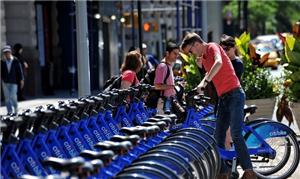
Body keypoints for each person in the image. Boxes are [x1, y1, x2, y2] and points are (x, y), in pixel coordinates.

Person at [181, 32, 256, 179]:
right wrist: (201, 76)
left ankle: (249, 172)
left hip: (235, 95)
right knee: (217, 138)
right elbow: (210, 74)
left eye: (190, 51)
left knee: (235, 134)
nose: (191, 54)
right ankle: (224, 172)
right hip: (223, 98)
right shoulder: (203, 58)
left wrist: (205, 81)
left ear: (196, 44)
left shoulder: (212, 47)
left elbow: (219, 63)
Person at [220, 34, 245, 149]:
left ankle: (231, 159)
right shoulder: (223, 63)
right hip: (224, 100)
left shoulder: (237, 64)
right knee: (224, 133)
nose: (225, 52)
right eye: (222, 49)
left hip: (233, 100)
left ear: (234, 47)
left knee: (228, 134)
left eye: (227, 49)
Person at [154, 41, 179, 114]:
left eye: (177, 54)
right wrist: (173, 86)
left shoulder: (169, 65)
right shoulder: (163, 66)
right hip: (164, 103)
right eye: (174, 53)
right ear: (167, 53)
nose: (176, 56)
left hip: (169, 101)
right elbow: (157, 86)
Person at [1, 45, 24, 115]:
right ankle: (9, 111)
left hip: (14, 81)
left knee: (13, 96)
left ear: (10, 52)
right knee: (7, 97)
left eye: (7, 52)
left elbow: (19, 71)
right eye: (5, 53)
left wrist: (21, 80)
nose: (6, 54)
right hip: (5, 81)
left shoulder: (15, 60)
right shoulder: (2, 61)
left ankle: (16, 109)